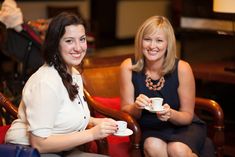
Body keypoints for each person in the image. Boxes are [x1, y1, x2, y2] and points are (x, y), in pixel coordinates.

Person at [5, 12, 118, 157]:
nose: (78, 48)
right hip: (29, 151)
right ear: (55, 44)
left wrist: (96, 121)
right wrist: (92, 134)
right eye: (69, 41)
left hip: (60, 149)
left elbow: (63, 114)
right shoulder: (46, 83)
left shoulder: (74, 74)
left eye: (82, 39)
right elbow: (39, 144)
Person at [119, 16, 208, 157]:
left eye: (159, 41)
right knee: (153, 146)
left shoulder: (182, 68)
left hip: (183, 126)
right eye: (147, 39)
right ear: (140, 41)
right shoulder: (128, 67)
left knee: (177, 150)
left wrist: (170, 114)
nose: (152, 46)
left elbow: (187, 116)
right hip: (150, 128)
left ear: (168, 44)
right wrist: (136, 106)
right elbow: (125, 110)